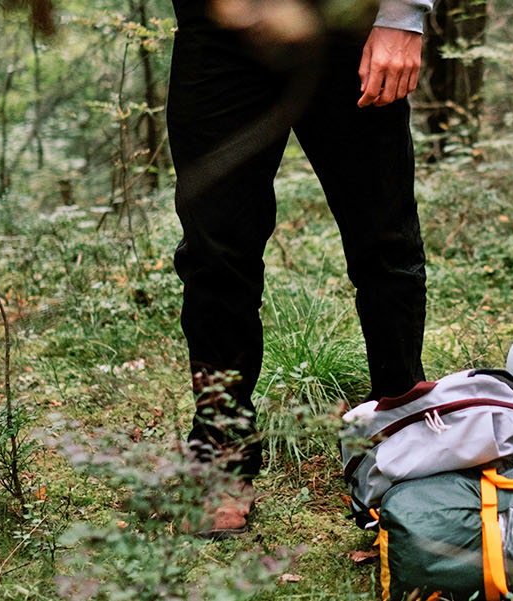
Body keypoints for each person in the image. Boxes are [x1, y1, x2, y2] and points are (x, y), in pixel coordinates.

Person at [167, 0, 433, 537]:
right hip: (217, 29)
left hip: (348, 21)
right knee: (215, 255)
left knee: (384, 244)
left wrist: (402, 15)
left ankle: (405, 440)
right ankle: (221, 456)